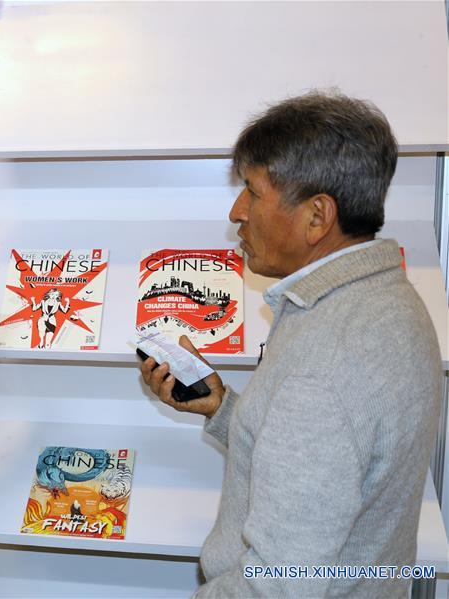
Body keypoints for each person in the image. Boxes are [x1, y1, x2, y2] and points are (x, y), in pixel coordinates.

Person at [140, 91, 442, 597]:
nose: (237, 212)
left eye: (253, 192)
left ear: (317, 217)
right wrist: (224, 408)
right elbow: (334, 463)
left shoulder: (328, 356)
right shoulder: (384, 300)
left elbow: (280, 585)